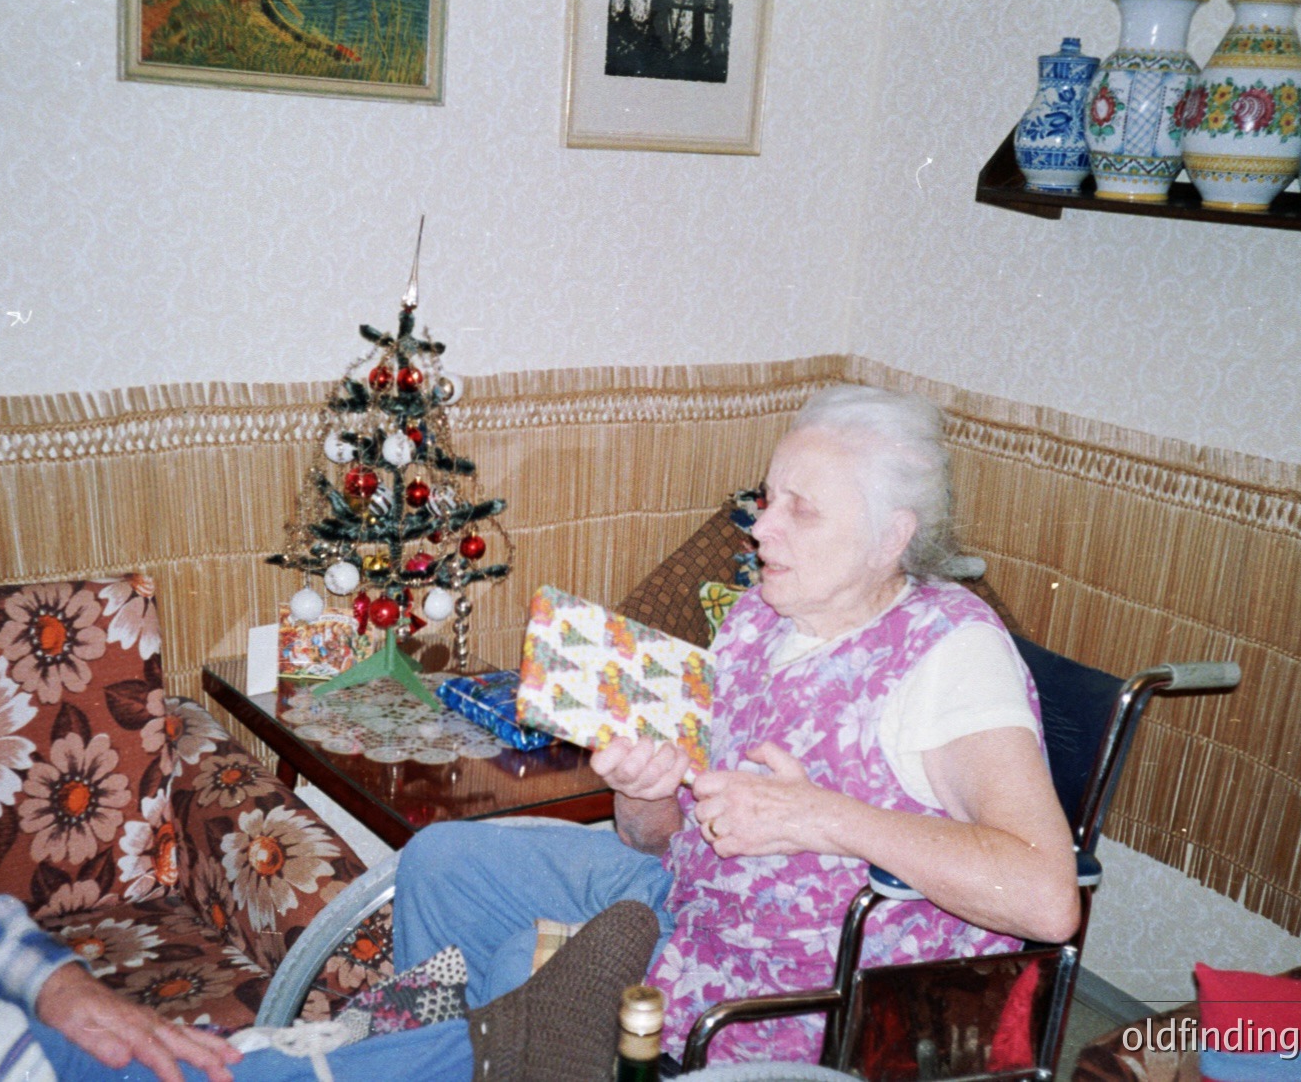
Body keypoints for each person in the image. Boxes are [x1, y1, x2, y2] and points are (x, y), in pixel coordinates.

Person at [0, 234, 656, 1082]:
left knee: (340, 1037)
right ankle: (503, 1042)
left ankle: (487, 1037)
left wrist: (48, 977)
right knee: (460, 1022)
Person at [367, 381, 1081, 1072]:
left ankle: (470, 1055)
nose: (761, 526)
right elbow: (657, 838)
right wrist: (645, 789)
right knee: (439, 864)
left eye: (801, 510)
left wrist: (822, 818)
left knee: (518, 963)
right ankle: (439, 1056)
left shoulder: (949, 653)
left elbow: (1046, 899)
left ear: (889, 535)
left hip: (796, 985)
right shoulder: (758, 616)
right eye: (768, 499)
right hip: (691, 899)